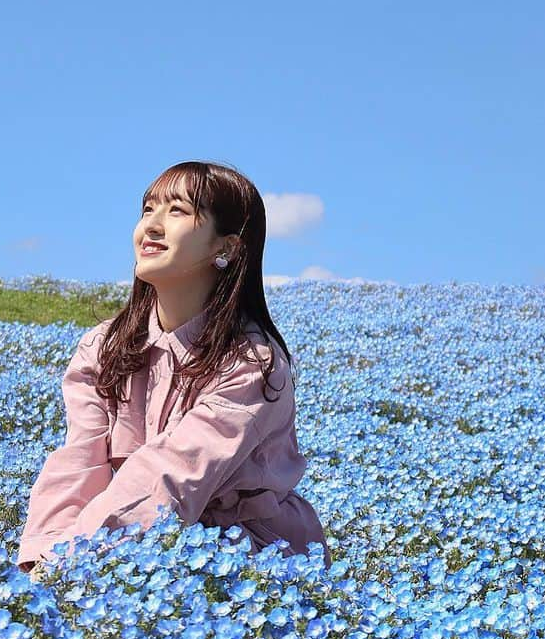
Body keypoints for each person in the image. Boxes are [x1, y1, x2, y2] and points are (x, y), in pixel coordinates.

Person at [16, 160, 332, 577]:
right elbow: (80, 462)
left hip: (249, 560)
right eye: (148, 210)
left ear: (227, 248)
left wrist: (75, 558)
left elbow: (173, 473)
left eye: (177, 211)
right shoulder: (102, 347)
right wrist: (44, 558)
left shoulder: (251, 362)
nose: (152, 225)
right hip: (121, 540)